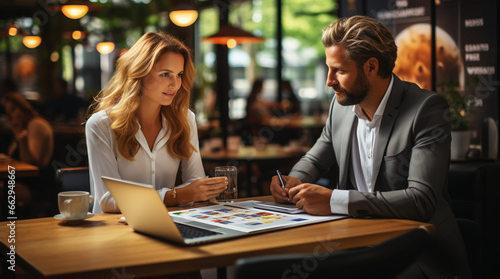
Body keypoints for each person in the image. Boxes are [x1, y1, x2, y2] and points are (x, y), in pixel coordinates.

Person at [270, 16, 471, 278]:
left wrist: (334, 200)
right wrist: (292, 180)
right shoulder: (340, 108)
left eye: (339, 71)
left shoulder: (426, 110)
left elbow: (421, 200)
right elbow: (317, 157)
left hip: (418, 252)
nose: (329, 81)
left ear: (371, 67)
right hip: (355, 243)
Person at [86, 32, 227, 214]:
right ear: (139, 73)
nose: (175, 84)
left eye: (179, 74)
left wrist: (200, 190)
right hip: (114, 231)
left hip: (167, 224)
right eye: (165, 74)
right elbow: (108, 200)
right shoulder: (101, 125)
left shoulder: (185, 118)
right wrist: (176, 196)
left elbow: (195, 182)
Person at [2, 92, 55, 216]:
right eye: (8, 114)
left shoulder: (36, 125)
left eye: (13, 110)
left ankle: (8, 229)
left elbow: (31, 163)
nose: (11, 117)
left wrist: (21, 139)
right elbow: (11, 156)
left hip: (39, 187)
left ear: (23, 107)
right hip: (25, 182)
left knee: (2, 190)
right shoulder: (24, 127)